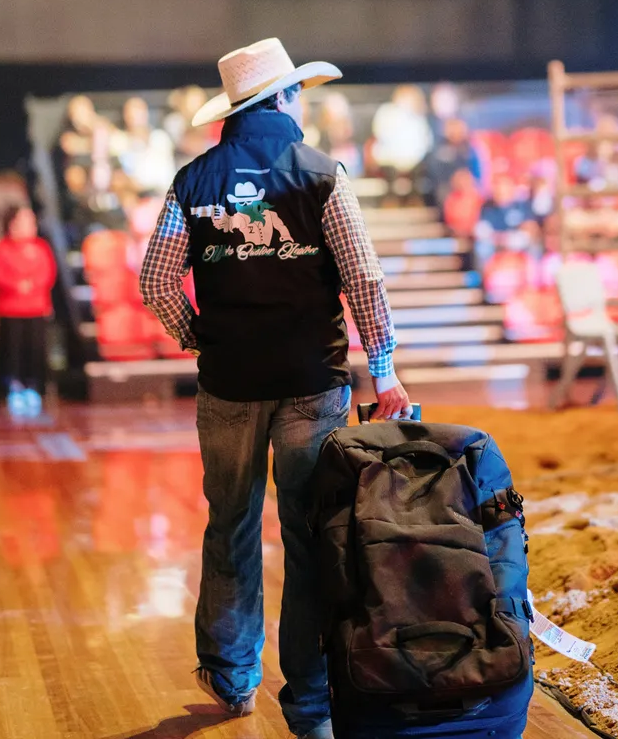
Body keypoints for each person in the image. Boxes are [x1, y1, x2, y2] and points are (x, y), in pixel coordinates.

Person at [140, 38, 410, 739]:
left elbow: (154, 280)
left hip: (227, 383)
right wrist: (381, 368)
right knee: (309, 536)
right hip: (307, 384)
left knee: (228, 528)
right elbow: (364, 275)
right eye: (298, 93)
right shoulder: (321, 174)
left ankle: (231, 679)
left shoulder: (192, 180)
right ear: (282, 99)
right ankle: (310, 704)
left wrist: (198, 336)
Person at [0, 205, 57, 417]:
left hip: (36, 308)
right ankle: (14, 387)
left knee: (35, 350)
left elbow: (48, 273)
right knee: (13, 351)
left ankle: (33, 387)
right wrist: (16, 285)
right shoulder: (2, 249)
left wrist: (32, 285)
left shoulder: (41, 248)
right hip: (11, 310)